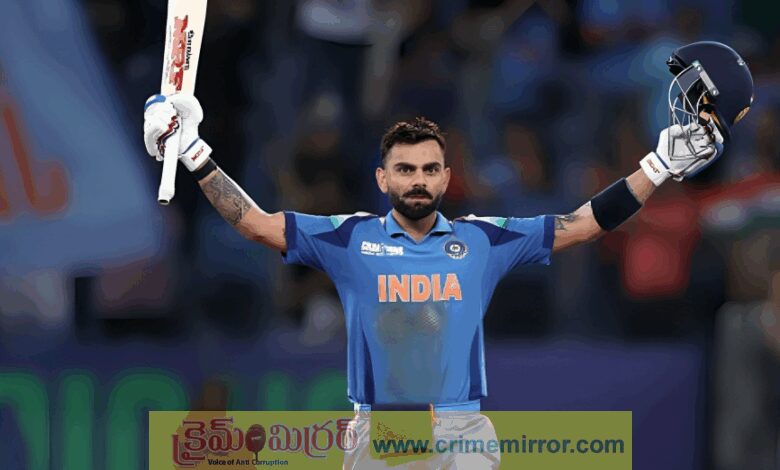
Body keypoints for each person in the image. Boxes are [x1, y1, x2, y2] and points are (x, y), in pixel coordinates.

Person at [142, 41, 752, 469]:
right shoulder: (349, 237)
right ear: (382, 178)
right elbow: (255, 224)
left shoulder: (482, 239)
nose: (418, 180)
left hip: (461, 431)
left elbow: (583, 225)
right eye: (405, 169)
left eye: (430, 169)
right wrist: (193, 152)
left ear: (446, 177)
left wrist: (658, 166)